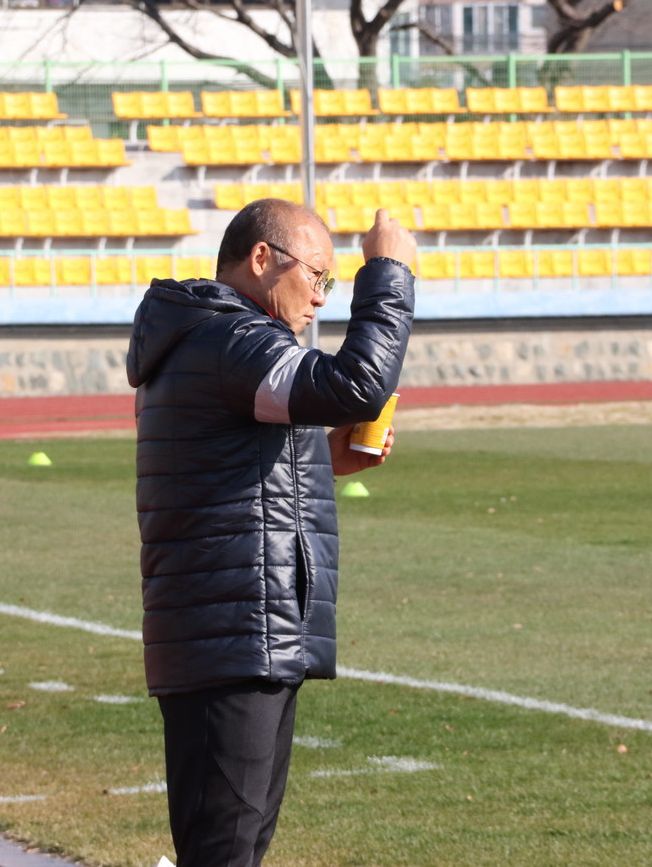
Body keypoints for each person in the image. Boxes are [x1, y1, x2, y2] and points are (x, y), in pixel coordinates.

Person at [126, 198, 416, 867]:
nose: (320, 297)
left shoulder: (216, 339)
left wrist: (323, 459)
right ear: (262, 259)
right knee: (225, 851)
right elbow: (357, 386)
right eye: (316, 275)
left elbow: (227, 464)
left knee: (236, 847)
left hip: (242, 631)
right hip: (232, 634)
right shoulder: (231, 339)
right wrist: (389, 274)